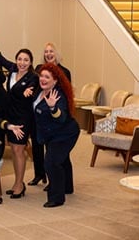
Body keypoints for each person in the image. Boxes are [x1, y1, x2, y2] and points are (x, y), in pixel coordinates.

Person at [0, 22, 39, 199]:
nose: (22, 63)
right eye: (20, 59)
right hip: (10, 115)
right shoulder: (13, 69)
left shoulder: (33, 77)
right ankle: (18, 182)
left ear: (30, 63)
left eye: (26, 60)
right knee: (14, 149)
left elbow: (31, 92)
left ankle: (18, 184)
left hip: (23, 117)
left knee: (18, 150)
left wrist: (27, 92)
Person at [33, 63, 80, 208]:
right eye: (41, 76)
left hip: (65, 133)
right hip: (51, 133)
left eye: (47, 77)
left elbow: (61, 117)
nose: (43, 79)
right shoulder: (39, 92)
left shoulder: (57, 95)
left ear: (55, 81)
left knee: (52, 162)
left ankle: (56, 197)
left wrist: (53, 108)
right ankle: (67, 187)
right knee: (62, 159)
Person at [29, 42, 72, 186]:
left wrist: (54, 108)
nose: (48, 54)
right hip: (40, 114)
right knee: (37, 147)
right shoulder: (38, 69)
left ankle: (56, 181)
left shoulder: (64, 72)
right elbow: (36, 87)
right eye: (46, 51)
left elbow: (66, 95)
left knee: (54, 154)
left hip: (55, 118)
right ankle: (39, 174)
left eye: (51, 51)